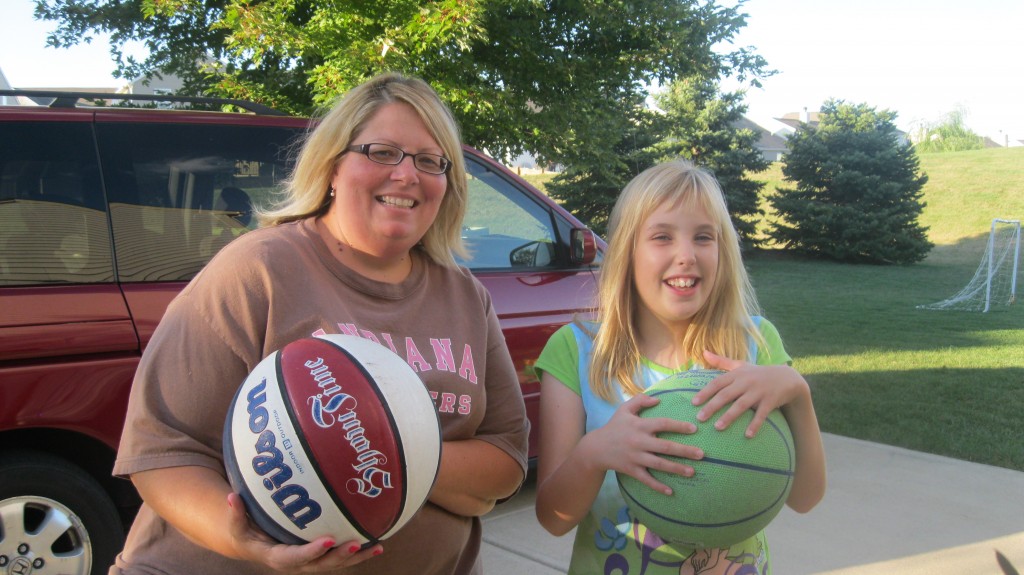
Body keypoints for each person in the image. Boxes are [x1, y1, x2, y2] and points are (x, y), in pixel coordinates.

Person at [111, 72, 530, 575]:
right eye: (381, 152)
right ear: (332, 166)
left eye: (429, 161)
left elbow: (506, 458)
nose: (406, 175)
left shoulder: (466, 296)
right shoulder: (258, 270)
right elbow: (162, 451)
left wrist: (388, 454)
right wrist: (249, 543)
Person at [533, 159, 827, 574]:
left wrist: (797, 392)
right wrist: (594, 454)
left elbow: (805, 498)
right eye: (662, 237)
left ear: (723, 251)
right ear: (626, 253)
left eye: (703, 237)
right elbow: (552, 519)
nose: (686, 256)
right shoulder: (578, 351)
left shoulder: (755, 345)